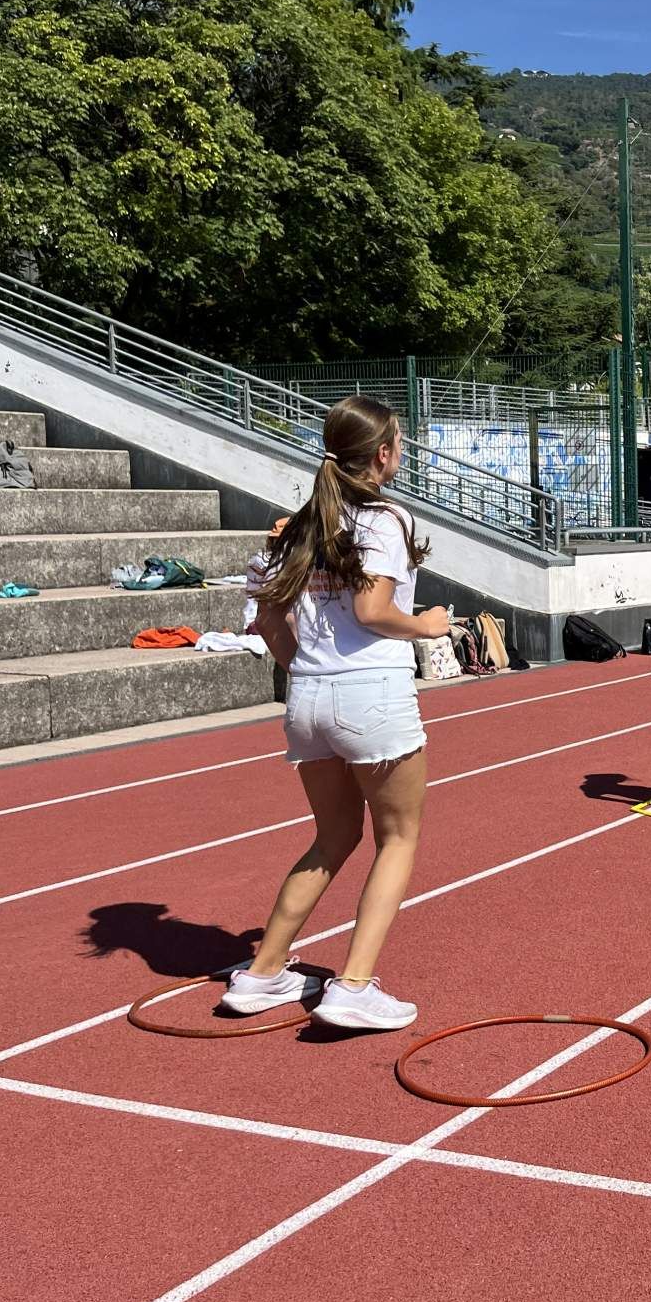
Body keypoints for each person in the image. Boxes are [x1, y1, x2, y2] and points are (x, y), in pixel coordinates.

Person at [223, 396, 449, 1031]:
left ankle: (262, 972)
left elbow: (269, 619)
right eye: (397, 445)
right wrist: (427, 625)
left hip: (307, 696)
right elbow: (374, 612)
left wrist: (306, 669)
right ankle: (352, 986)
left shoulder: (294, 527)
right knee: (397, 837)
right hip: (371, 694)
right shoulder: (384, 520)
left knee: (332, 836)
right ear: (382, 455)